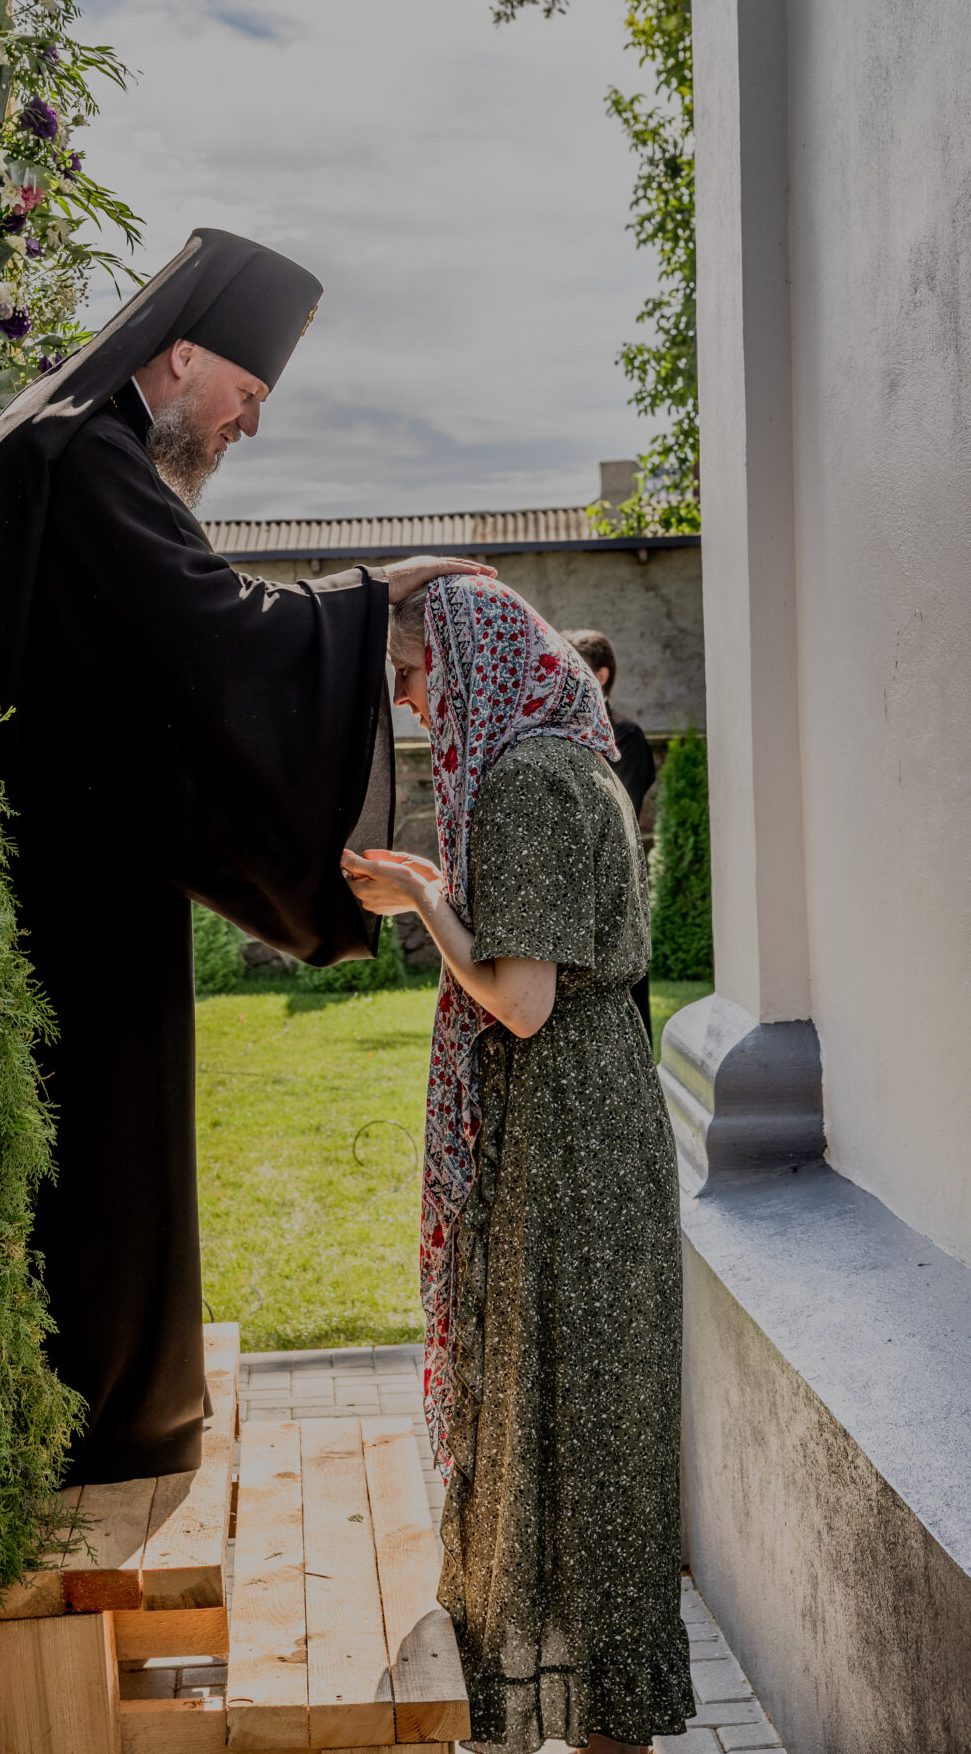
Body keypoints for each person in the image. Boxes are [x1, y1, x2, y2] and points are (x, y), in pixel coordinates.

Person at [0, 226, 490, 1482]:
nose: (251, 425)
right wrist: (369, 599)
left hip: (67, 873)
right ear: (182, 356)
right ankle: (110, 1423)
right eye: (248, 391)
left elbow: (160, 652)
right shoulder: (83, 457)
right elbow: (210, 631)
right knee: (102, 1158)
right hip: (70, 901)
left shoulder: (65, 447)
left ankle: (113, 1405)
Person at [342, 577, 692, 1754]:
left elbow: (521, 998)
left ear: (464, 660)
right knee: (593, 1433)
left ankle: (587, 1715)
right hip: (598, 1122)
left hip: (566, 1140)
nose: (407, 702)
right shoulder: (575, 759)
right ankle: (607, 1714)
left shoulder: (526, 782)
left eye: (410, 676)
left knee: (556, 1425)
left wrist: (419, 896)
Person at [563, 628, 656, 1044]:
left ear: (600, 676)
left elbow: (618, 813)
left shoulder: (626, 737)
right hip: (572, 890)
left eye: (573, 665)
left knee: (624, 1004)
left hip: (612, 890)